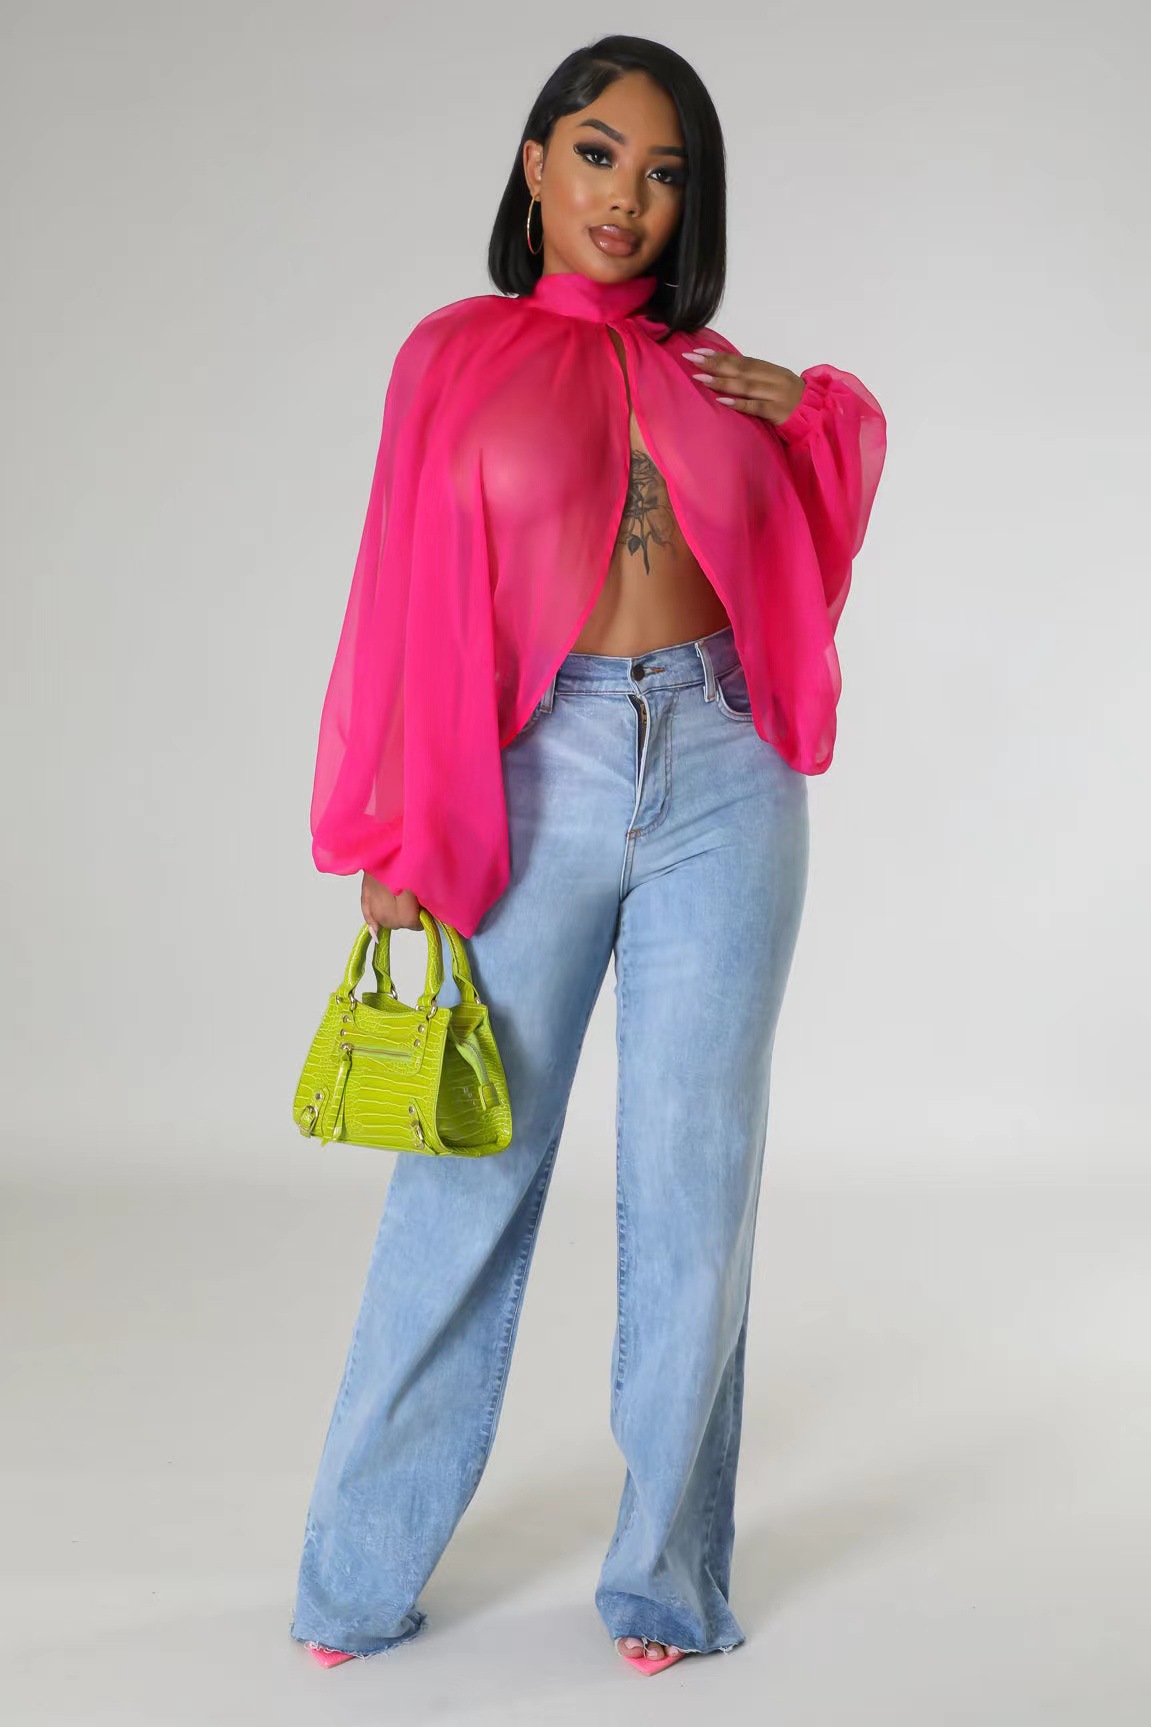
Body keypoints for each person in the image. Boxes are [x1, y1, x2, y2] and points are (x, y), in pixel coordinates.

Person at [289, 33, 887, 1678]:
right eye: (602, 155)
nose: (630, 197)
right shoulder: (454, 355)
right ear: (538, 164)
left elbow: (800, 558)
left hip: (724, 773)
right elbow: (400, 591)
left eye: (666, 173)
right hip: (532, 774)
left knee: (697, 1180)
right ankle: (355, 1578)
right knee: (466, 1173)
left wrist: (819, 412)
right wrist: (393, 825)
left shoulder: (714, 372)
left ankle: (668, 1582)